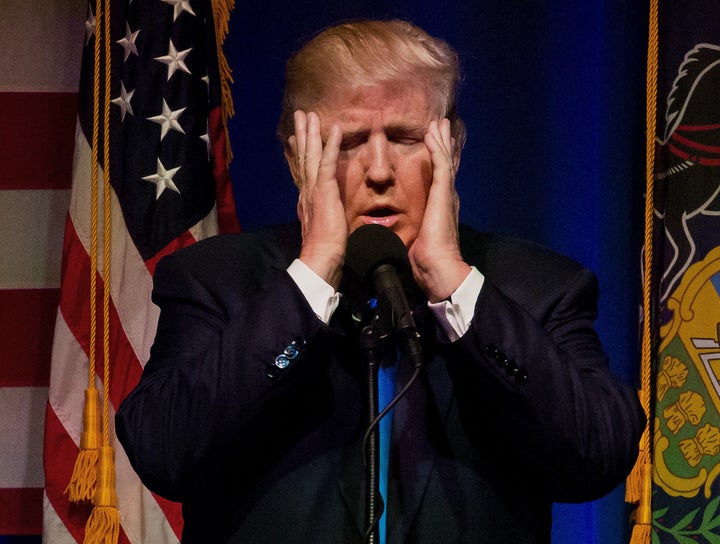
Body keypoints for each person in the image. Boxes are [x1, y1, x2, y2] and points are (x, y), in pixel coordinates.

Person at [116, 19, 645, 543]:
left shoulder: (538, 287)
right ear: (298, 160)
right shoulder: (215, 281)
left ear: (452, 153)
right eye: (346, 142)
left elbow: (598, 453)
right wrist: (314, 274)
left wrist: (454, 285)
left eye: (405, 137)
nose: (378, 171)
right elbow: (163, 449)